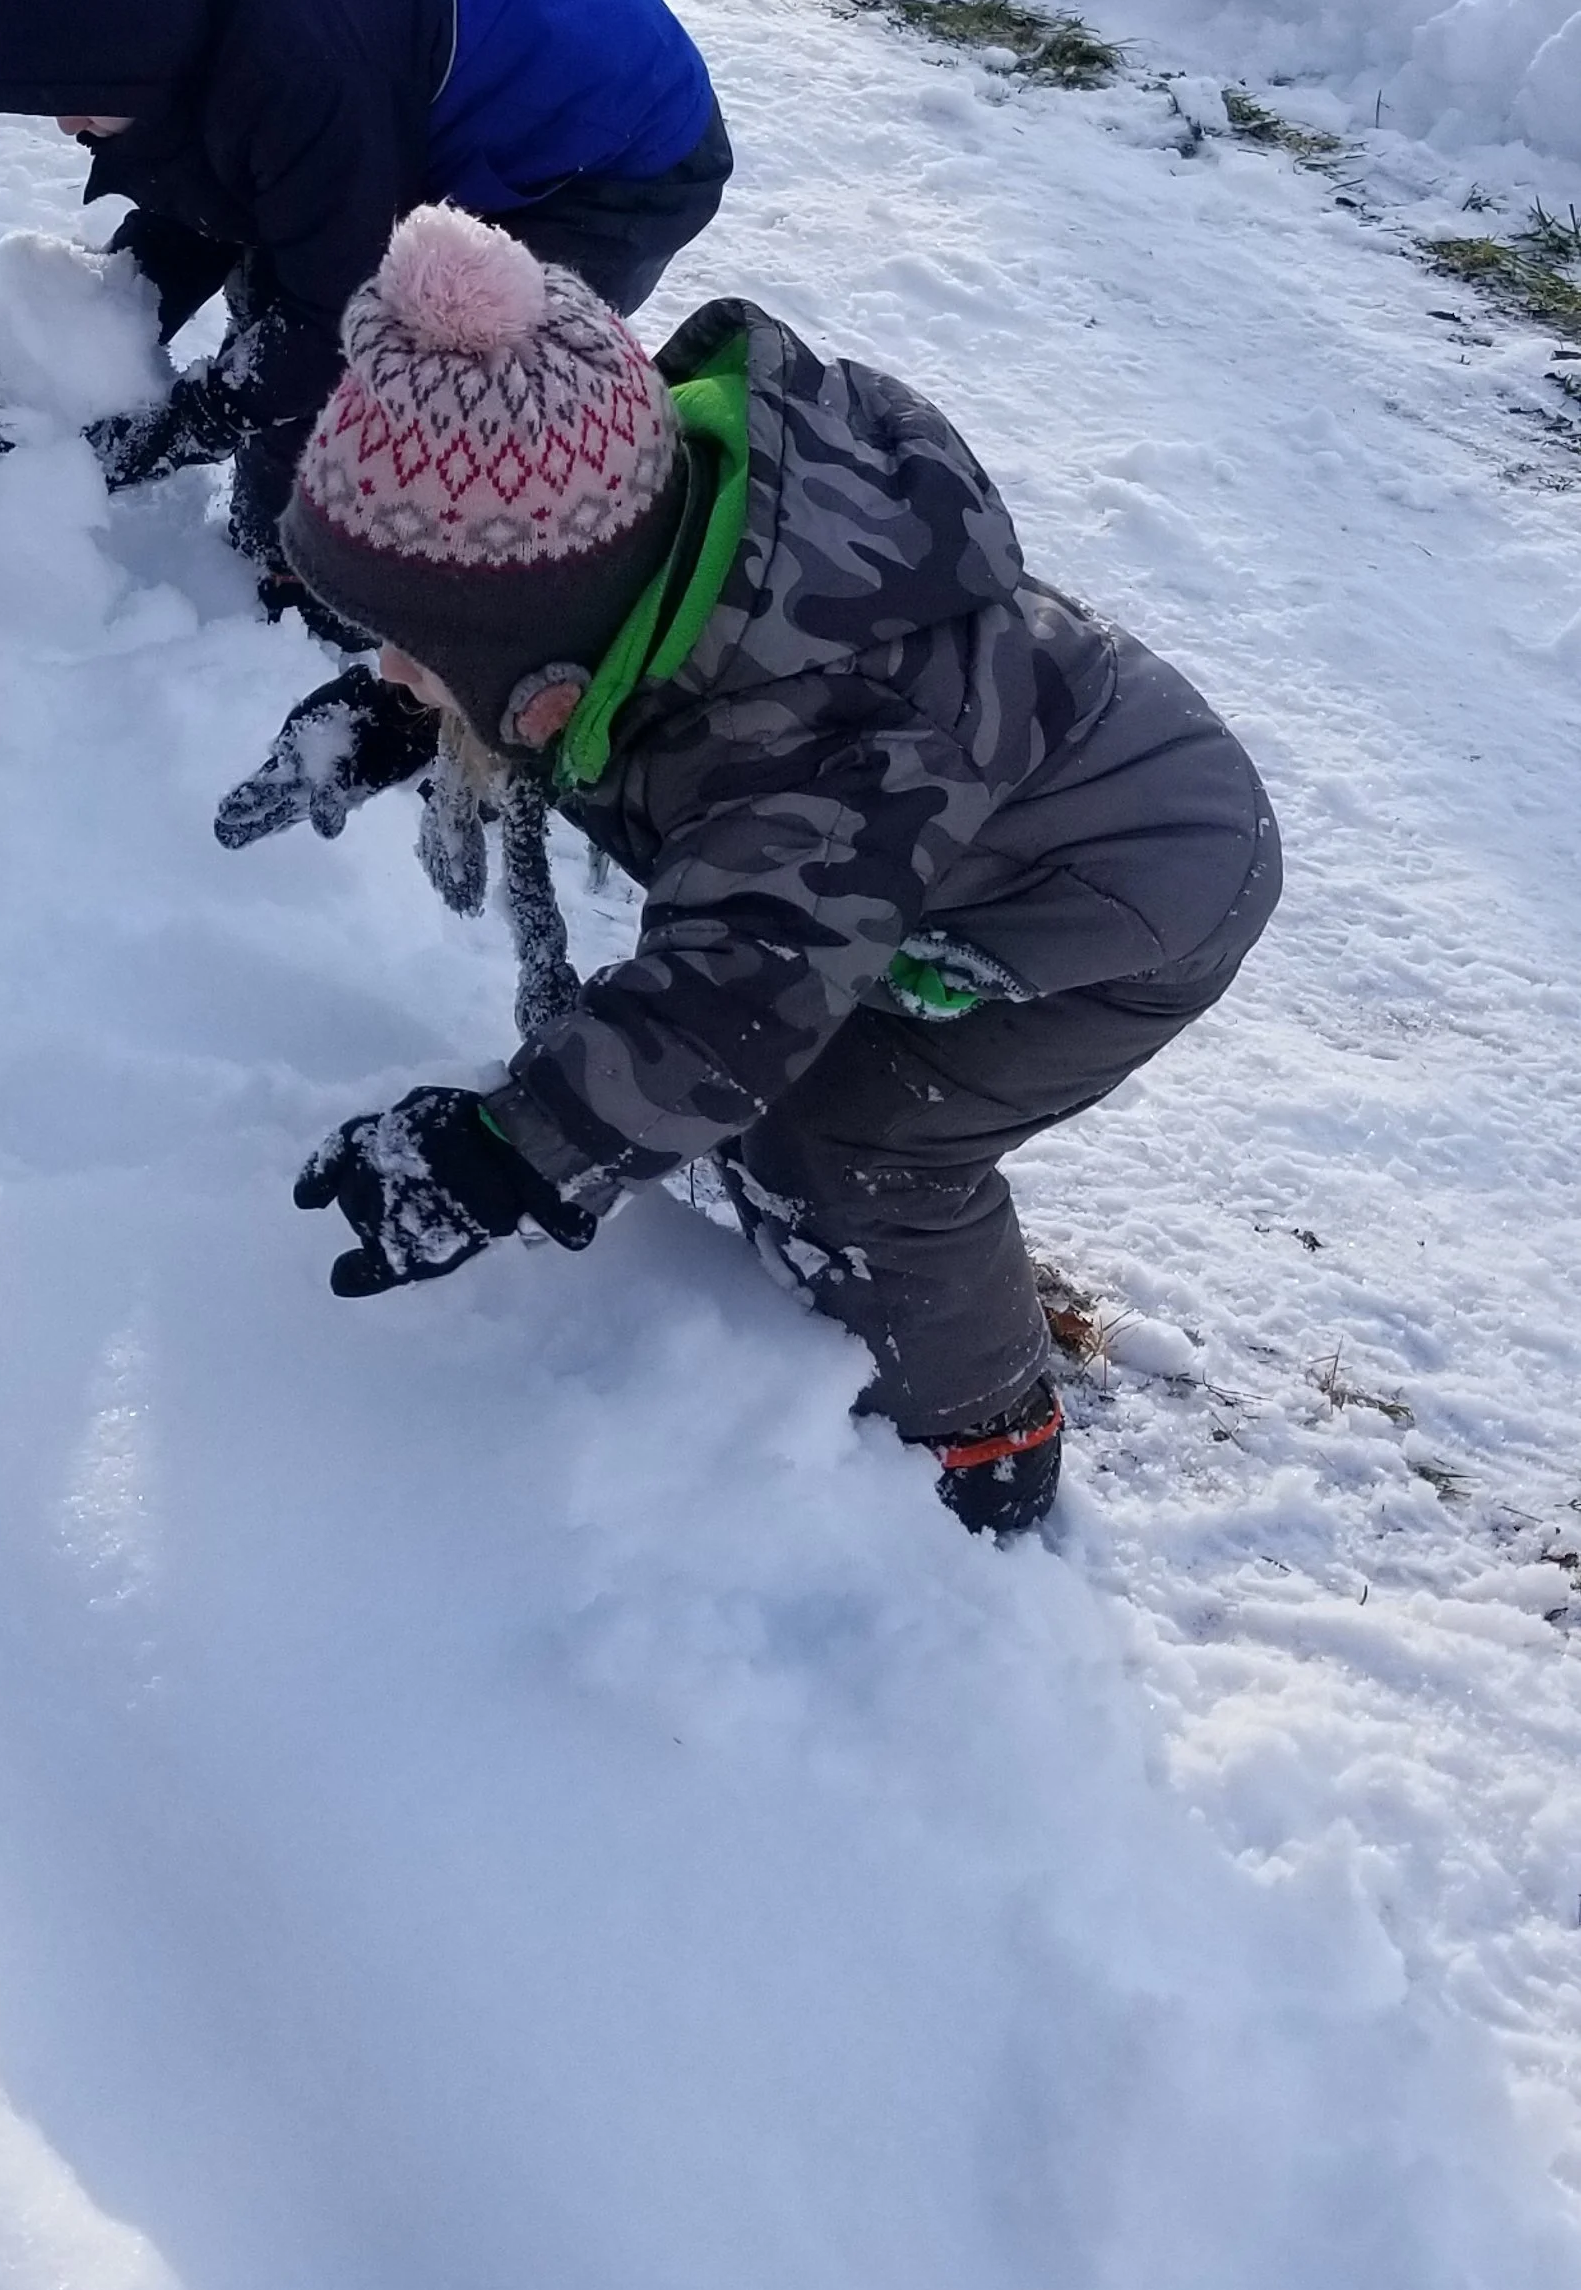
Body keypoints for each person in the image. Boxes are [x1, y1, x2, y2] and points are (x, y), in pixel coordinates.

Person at [237, 204, 1280, 1538]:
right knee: (771, 1056)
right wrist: (412, 714)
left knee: (845, 1138)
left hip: (1122, 897)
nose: (392, 668)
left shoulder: (804, 749)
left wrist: (505, 1150)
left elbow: (718, 1014)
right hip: (979, 827)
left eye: (420, 652)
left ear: (541, 642)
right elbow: (567, 689)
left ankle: (985, 1437)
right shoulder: (647, 565)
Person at [0, 0, 734, 585]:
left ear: (132, 44)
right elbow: (214, 205)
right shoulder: (196, 9)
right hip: (450, 87)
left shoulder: (297, 76)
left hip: (615, 154)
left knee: (434, 363)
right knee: (294, 307)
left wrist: (190, 421)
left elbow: (335, 319)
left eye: (74, 96)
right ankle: (284, 544)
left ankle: (371, 583)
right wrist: (85, 324)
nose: (66, 125)